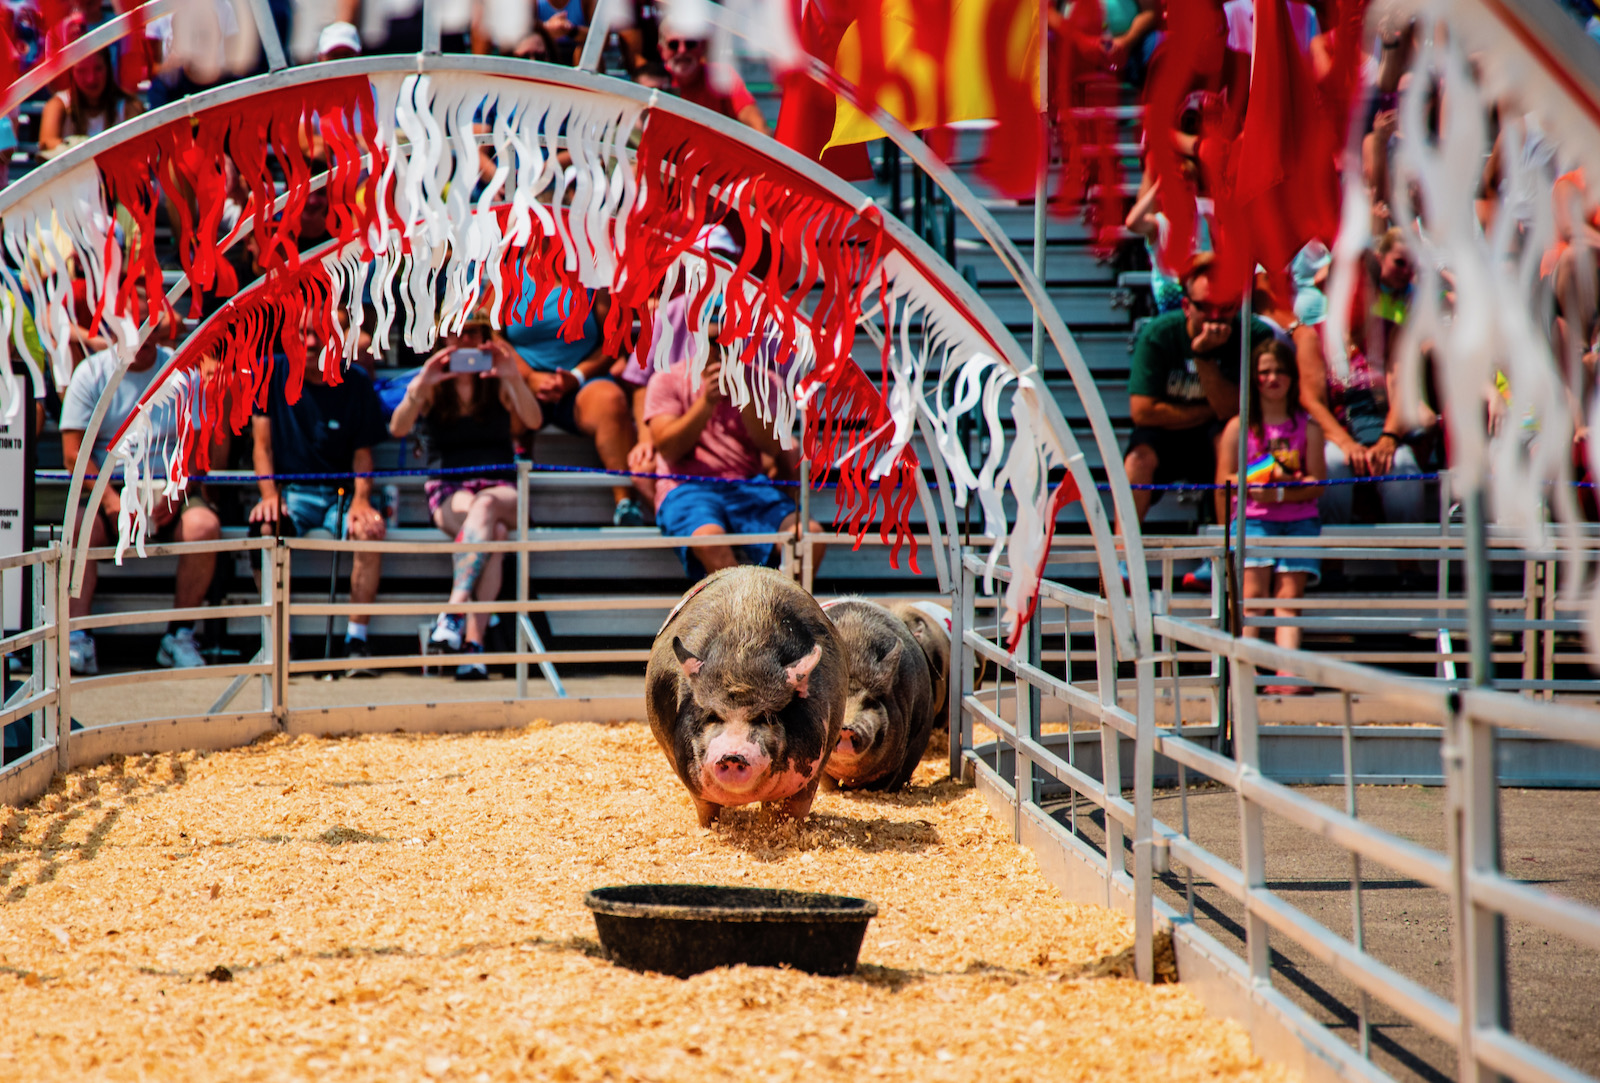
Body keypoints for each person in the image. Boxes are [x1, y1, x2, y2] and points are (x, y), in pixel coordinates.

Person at [58, 310, 221, 674]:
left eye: (150, 325)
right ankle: (76, 638)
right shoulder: (91, 373)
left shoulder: (183, 373)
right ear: (114, 332)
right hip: (108, 485)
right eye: (133, 326)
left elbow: (195, 448)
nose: (142, 335)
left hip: (169, 483)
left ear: (162, 328)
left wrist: (178, 490)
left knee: (204, 527)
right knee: (78, 529)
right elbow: (73, 454)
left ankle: (179, 636)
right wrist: (114, 502)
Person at [389, 321, 543, 680]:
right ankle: (474, 647)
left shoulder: (496, 381)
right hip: (449, 488)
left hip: (498, 487)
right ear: (442, 336)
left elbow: (532, 420)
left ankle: (453, 611)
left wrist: (512, 375)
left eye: (472, 333)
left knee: (486, 506)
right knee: (496, 535)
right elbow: (397, 428)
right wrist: (420, 385)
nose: (463, 341)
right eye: (455, 332)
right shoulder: (433, 384)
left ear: (485, 339)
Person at [248, 319, 390, 676]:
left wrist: (361, 501)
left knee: (369, 530)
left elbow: (363, 453)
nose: (310, 342)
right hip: (289, 493)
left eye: (319, 334)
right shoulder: (269, 372)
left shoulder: (356, 380)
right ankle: (280, 643)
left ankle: (356, 641)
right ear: (287, 335)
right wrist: (268, 494)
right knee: (264, 528)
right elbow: (261, 446)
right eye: (302, 333)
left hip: (340, 494)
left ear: (337, 339)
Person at [643, 320, 819, 578]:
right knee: (710, 539)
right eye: (715, 341)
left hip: (748, 486)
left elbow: (772, 447)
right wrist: (706, 403)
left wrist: (745, 397)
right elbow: (668, 449)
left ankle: (781, 609)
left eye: (731, 340)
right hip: (686, 486)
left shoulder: (766, 381)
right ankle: (744, 611)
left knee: (810, 536)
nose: (724, 348)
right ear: (697, 337)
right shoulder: (667, 380)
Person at [1121, 254, 1273, 531]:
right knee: (1138, 458)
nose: (1215, 319)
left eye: (1224, 307)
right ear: (1186, 306)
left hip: (1219, 435)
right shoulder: (1159, 334)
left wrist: (1202, 358)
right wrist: (1210, 410)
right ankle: (1122, 555)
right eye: (1205, 307)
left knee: (1227, 438)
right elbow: (1142, 412)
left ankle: (1227, 549)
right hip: (1166, 437)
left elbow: (1235, 413)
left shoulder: (1254, 334)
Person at [1217, 340, 1325, 695]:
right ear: (1254, 379)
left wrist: (1280, 489)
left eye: (1279, 371)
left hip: (1299, 520)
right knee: (1252, 598)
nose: (1272, 378)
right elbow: (1224, 481)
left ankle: (1287, 674)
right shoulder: (1238, 428)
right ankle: (1241, 676)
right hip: (1253, 520)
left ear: (1292, 378)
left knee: (1288, 600)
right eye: (1264, 372)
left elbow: (1316, 484)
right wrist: (1261, 478)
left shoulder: (1308, 428)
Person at [503, 283, 645, 525]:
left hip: (583, 382)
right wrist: (528, 377)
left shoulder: (596, 279)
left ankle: (626, 504)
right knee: (505, 397)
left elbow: (613, 340)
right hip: (523, 382)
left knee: (610, 401)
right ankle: (510, 500)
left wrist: (576, 377)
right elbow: (491, 337)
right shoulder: (508, 275)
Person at [38, 40, 142, 154]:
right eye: (82, 71)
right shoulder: (58, 105)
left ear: (108, 68)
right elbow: (46, 143)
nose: (91, 79)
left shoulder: (128, 106)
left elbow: (137, 148)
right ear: (71, 72)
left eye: (98, 69)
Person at [658, 29, 767, 133]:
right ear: (661, 49)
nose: (682, 50)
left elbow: (757, 125)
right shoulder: (653, 82)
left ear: (703, 46)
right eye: (673, 45)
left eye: (690, 44)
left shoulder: (720, 76)